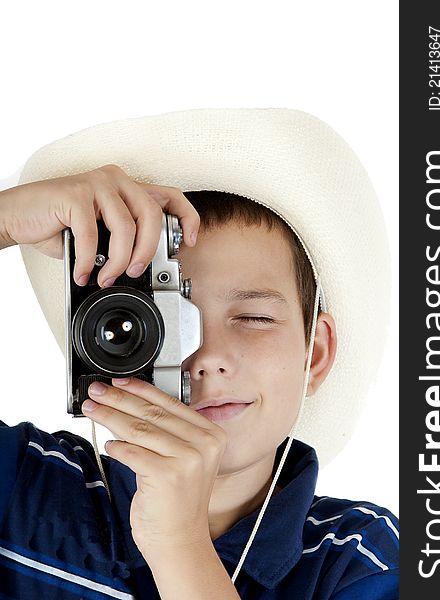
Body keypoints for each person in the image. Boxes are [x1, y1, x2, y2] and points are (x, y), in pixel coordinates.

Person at [0, 108, 399, 599]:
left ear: (314, 354)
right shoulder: (21, 484)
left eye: (254, 318)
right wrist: (5, 218)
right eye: (159, 324)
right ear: (99, 347)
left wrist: (178, 545)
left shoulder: (362, 559)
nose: (207, 355)